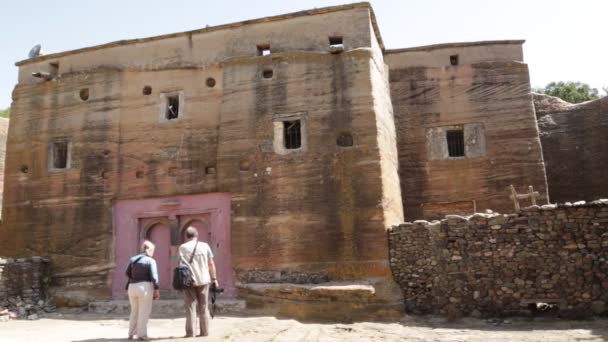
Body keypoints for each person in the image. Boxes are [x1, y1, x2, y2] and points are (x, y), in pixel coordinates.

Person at [179, 227, 218, 337]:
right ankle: (204, 332)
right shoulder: (205, 246)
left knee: (190, 307)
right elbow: (211, 263)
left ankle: (190, 333)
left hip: (188, 281)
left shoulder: (182, 247)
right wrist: (214, 278)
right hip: (204, 279)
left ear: (186, 236)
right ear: (197, 235)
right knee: (204, 307)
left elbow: (180, 264)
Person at [126, 240, 160, 341]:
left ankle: (131, 334)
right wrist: (157, 289)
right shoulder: (151, 260)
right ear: (149, 250)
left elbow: (127, 273)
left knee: (134, 311)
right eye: (153, 250)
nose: (153, 252)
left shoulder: (132, 259)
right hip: (145, 286)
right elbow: (154, 276)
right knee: (144, 312)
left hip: (132, 286)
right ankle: (142, 335)